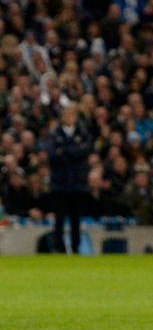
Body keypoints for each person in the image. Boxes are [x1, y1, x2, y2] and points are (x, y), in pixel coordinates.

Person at [45, 105, 93, 254]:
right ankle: (59, 247)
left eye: (72, 114)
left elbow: (85, 151)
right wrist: (74, 152)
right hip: (60, 183)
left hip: (77, 182)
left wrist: (64, 150)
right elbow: (52, 155)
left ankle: (75, 247)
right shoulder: (55, 134)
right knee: (59, 218)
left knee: (75, 218)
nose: (69, 117)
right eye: (67, 114)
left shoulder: (83, 133)